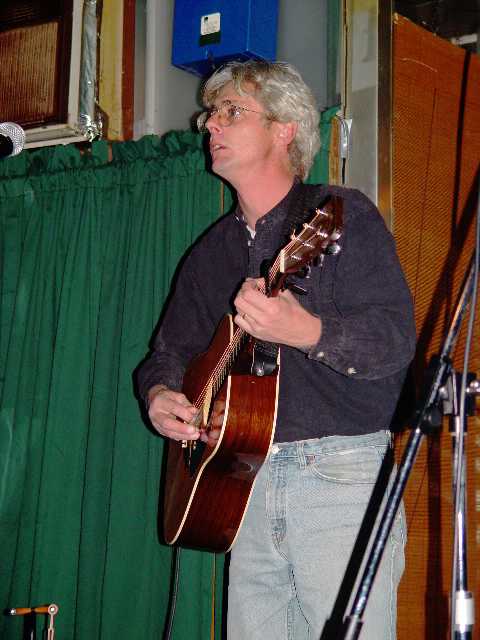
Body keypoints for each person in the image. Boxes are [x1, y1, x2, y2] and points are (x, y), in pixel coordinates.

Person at [137, 60, 416, 640]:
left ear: (285, 128)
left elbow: (395, 342)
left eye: (231, 111)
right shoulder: (210, 253)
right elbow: (167, 353)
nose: (210, 125)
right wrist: (160, 395)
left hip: (341, 474)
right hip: (242, 482)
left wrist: (308, 331)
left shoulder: (341, 217)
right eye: (210, 114)